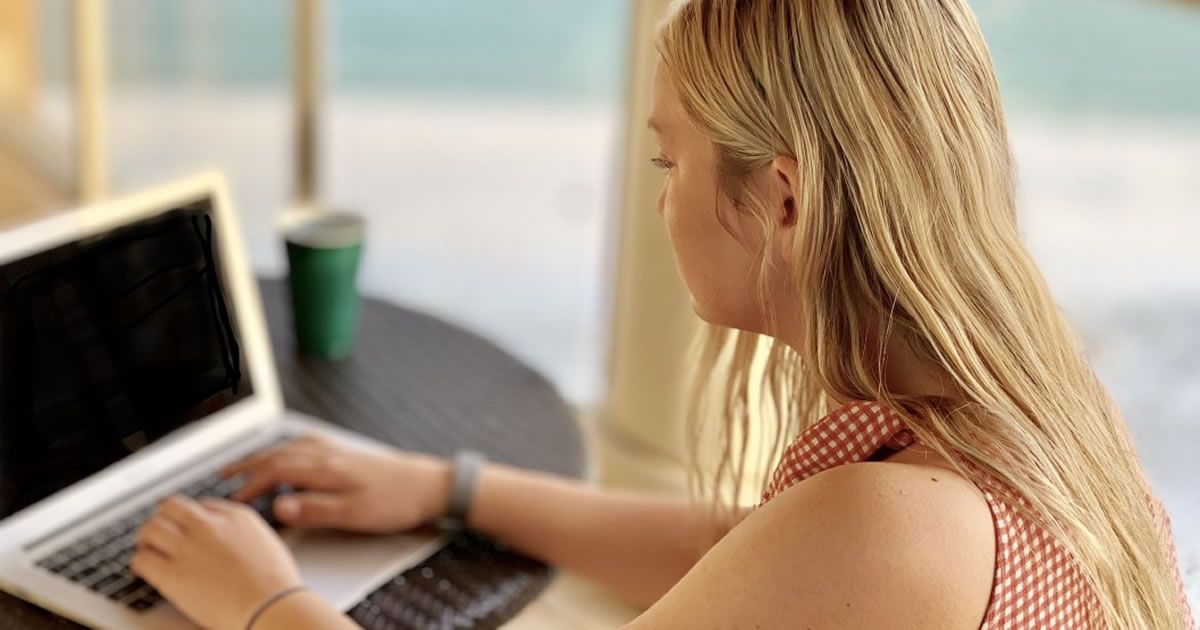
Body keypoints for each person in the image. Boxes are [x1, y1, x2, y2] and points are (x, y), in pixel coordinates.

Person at [130, 1, 1196, 628]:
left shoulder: (896, 524)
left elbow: (799, 559)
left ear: (784, 199)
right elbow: (754, 561)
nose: (659, 197)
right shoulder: (1032, 399)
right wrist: (449, 489)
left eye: (667, 159)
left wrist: (264, 602)